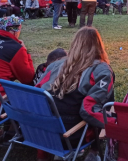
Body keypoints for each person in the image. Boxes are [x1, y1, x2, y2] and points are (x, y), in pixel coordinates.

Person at [36, 27, 114, 161]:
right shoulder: (102, 70)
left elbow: (35, 93)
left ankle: (44, 155)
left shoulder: (55, 65)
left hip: (41, 132)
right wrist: (114, 122)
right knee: (105, 103)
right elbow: (88, 110)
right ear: (98, 45)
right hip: (71, 136)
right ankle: (94, 152)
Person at [0, 17, 35, 124]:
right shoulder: (15, 48)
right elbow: (28, 78)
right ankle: (10, 130)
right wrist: (25, 52)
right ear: (14, 30)